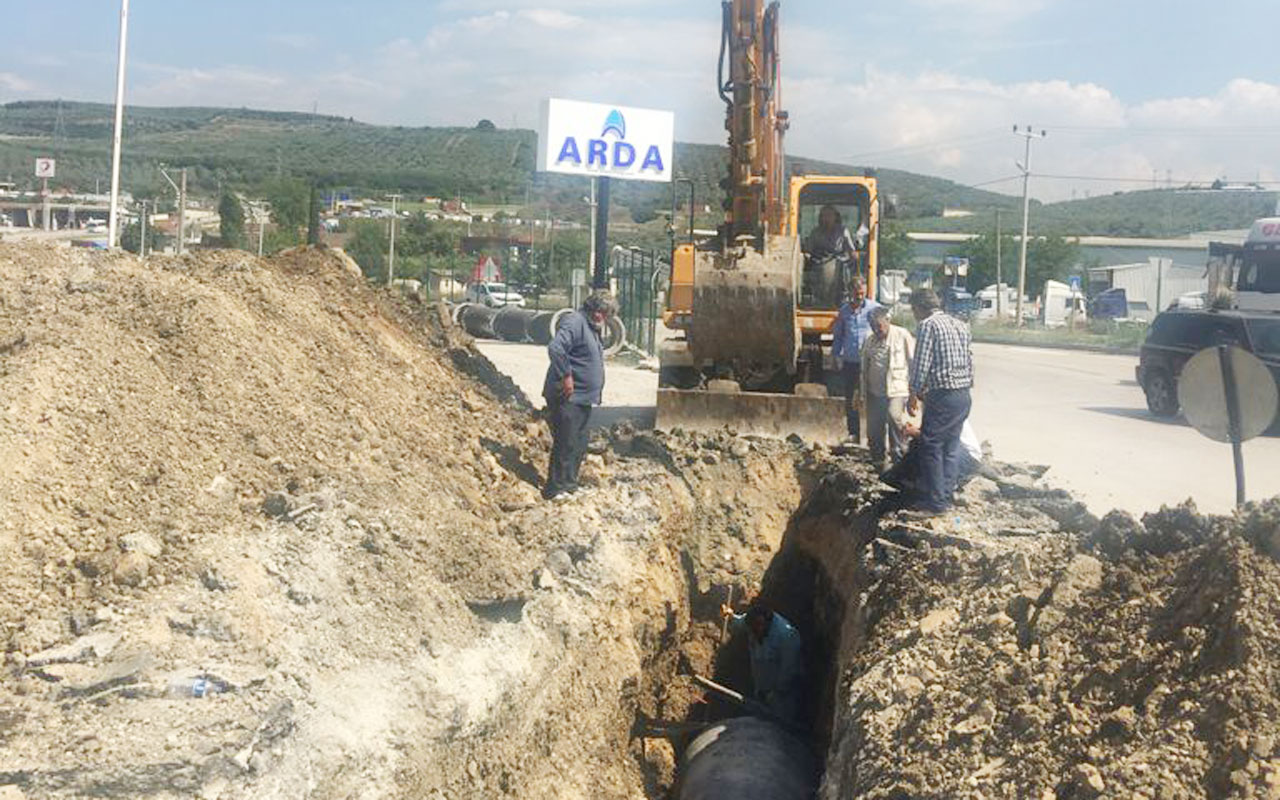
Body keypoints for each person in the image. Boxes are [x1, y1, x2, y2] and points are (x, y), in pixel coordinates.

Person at [541, 291, 617, 500]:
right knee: (566, 441)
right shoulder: (575, 322)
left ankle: (570, 484)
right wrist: (566, 375)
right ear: (594, 309)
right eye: (603, 312)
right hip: (568, 396)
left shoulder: (592, 327)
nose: (604, 318)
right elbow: (556, 348)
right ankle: (555, 488)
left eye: (607, 314)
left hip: (583, 398)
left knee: (579, 442)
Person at [906, 288, 974, 514]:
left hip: (943, 395)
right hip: (963, 395)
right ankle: (945, 496)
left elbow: (921, 363)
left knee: (931, 444)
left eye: (913, 310)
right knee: (951, 446)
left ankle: (936, 502)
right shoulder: (960, 325)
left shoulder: (928, 326)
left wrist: (913, 393)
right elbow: (969, 360)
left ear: (919, 307)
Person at [721, 601, 805, 726]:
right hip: (761, 687)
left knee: (781, 725)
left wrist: (776, 692)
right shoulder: (753, 622)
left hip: (782, 696)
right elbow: (741, 623)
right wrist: (731, 616)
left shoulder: (786, 636)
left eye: (758, 628)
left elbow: (789, 669)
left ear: (766, 622)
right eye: (753, 629)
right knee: (761, 721)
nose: (756, 633)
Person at [860, 306, 915, 469]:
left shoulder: (902, 335)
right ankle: (878, 460)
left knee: (893, 417)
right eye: (872, 326)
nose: (876, 329)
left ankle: (898, 455)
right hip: (875, 392)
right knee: (874, 427)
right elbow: (863, 370)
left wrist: (915, 392)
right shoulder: (869, 341)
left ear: (888, 321)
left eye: (879, 325)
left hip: (897, 390)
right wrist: (861, 393)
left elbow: (913, 364)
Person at [830, 278, 881, 439]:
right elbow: (838, 336)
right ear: (850, 292)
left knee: (873, 396)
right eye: (857, 293)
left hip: (871, 362)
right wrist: (835, 356)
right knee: (851, 397)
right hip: (851, 361)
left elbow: (884, 331)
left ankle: (874, 434)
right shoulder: (844, 311)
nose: (860, 296)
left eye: (862, 293)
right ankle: (853, 433)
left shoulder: (875, 309)